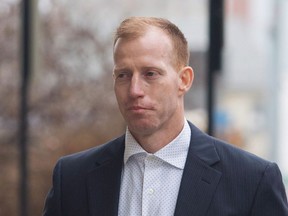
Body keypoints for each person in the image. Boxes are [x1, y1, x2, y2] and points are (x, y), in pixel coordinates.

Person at [43, 17, 288, 216]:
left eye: (150, 74)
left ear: (184, 80)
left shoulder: (252, 181)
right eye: (123, 75)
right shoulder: (73, 178)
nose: (134, 90)